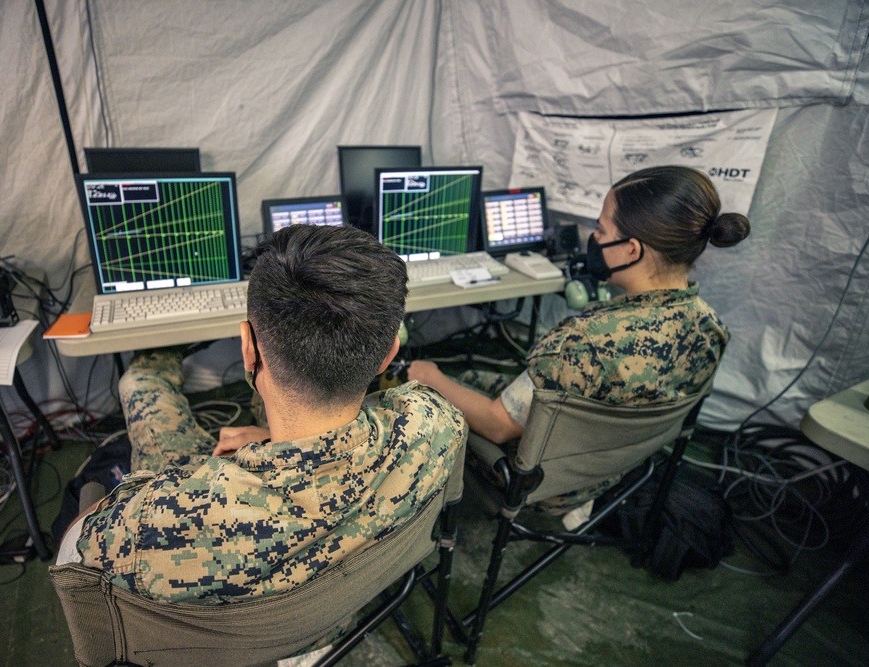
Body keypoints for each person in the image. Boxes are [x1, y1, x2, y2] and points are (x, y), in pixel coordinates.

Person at [62, 224, 467, 603]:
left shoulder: (159, 520)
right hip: (338, 610)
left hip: (236, 634)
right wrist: (269, 440)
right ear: (388, 355)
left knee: (139, 384)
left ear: (248, 348)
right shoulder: (435, 421)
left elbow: (70, 552)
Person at [408, 165, 749, 512]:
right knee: (469, 380)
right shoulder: (711, 327)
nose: (595, 239)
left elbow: (497, 427)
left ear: (632, 250)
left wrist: (429, 377)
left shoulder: (585, 341)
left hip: (539, 482)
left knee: (436, 389)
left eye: (601, 229)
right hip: (614, 467)